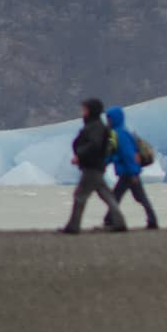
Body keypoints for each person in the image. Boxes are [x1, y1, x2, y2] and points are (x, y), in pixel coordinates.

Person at [60, 98, 127, 235]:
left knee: (80, 195)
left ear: (91, 111)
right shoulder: (96, 126)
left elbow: (94, 145)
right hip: (95, 166)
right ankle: (119, 223)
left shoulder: (95, 126)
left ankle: (73, 226)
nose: (82, 112)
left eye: (84, 109)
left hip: (92, 167)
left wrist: (80, 155)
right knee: (106, 195)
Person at [102, 106, 159, 230]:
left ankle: (109, 220)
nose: (108, 122)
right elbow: (117, 154)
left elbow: (128, 155)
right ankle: (152, 220)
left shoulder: (120, 134)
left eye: (109, 119)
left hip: (128, 172)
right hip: (128, 171)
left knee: (118, 196)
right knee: (136, 197)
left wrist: (133, 173)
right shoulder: (118, 132)